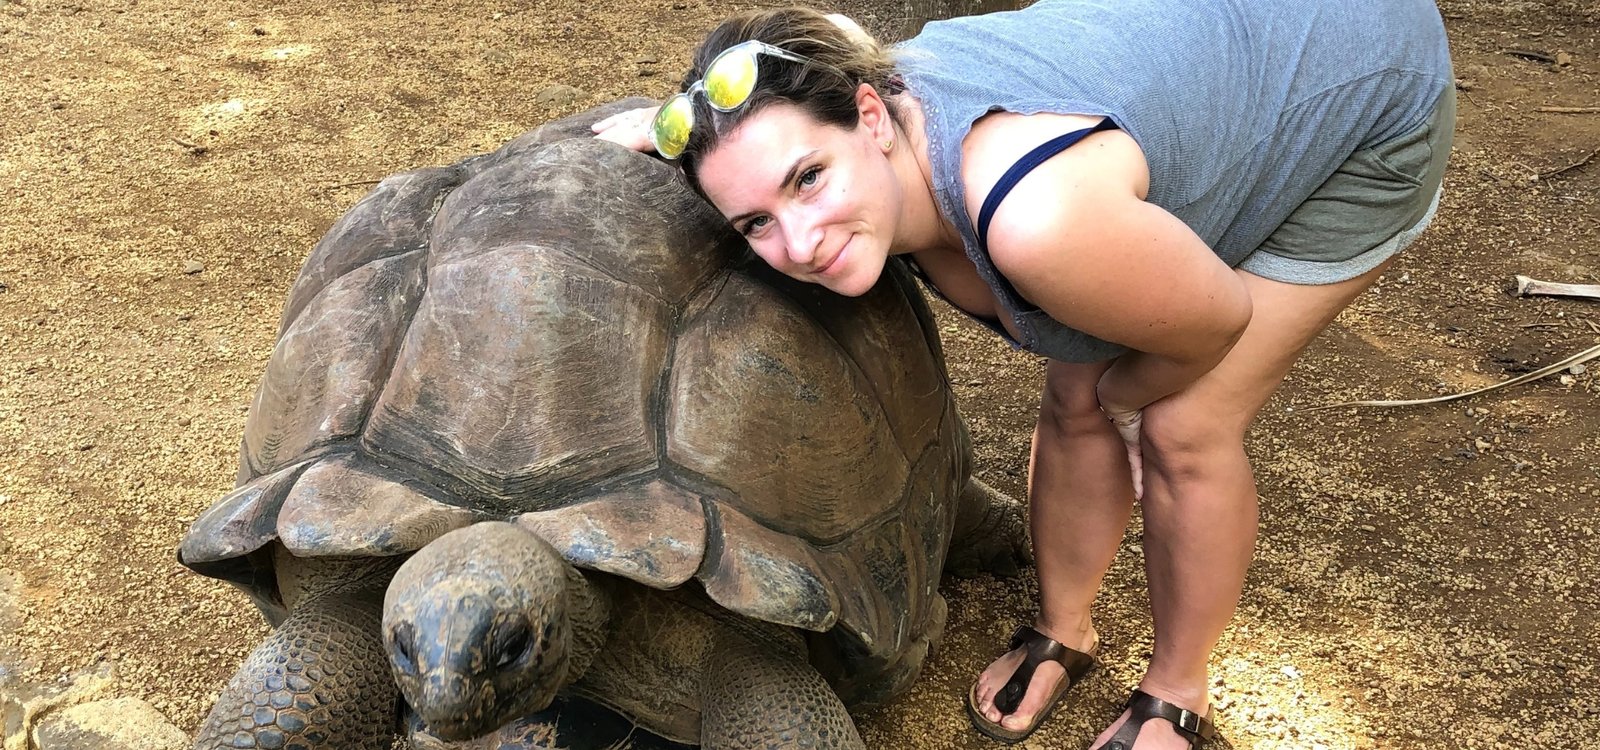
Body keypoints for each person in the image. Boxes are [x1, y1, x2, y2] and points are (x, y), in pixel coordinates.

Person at [592, 0, 1454, 747]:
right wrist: (675, 134)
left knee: (1181, 423)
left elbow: (1217, 320)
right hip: (1200, 73)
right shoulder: (843, 110)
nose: (801, 242)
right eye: (755, 221)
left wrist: (1127, 395)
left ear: (873, 116)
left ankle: (1176, 694)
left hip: (1361, 79)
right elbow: (804, 78)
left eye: (808, 178)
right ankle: (1063, 629)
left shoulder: (1037, 221)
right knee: (1074, 387)